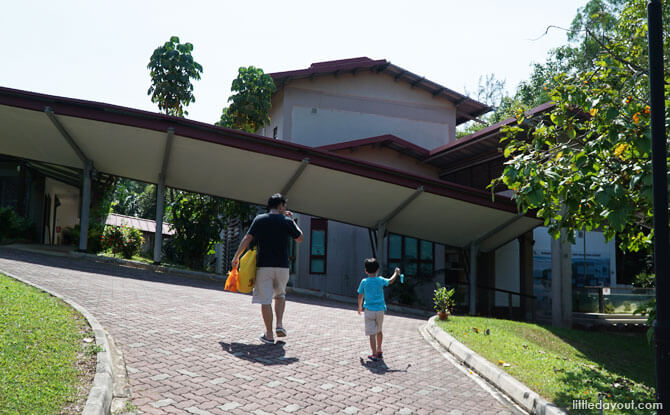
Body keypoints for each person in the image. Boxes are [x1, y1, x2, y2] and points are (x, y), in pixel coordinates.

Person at [232, 193, 303, 344]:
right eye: (284, 206)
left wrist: (237, 256)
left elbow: (247, 238)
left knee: (265, 300)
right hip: (283, 266)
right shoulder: (286, 221)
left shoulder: (260, 219)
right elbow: (300, 238)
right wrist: (292, 221)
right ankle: (279, 324)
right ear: (280, 205)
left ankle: (269, 335)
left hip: (264, 266)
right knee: (280, 296)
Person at [357, 258, 400, 361]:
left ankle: (374, 353)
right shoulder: (380, 280)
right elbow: (390, 281)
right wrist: (396, 273)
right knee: (379, 331)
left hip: (369, 310)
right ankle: (379, 350)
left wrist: (359, 307)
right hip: (380, 310)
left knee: (371, 333)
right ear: (377, 270)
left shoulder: (364, 282)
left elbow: (360, 296)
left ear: (366, 271)